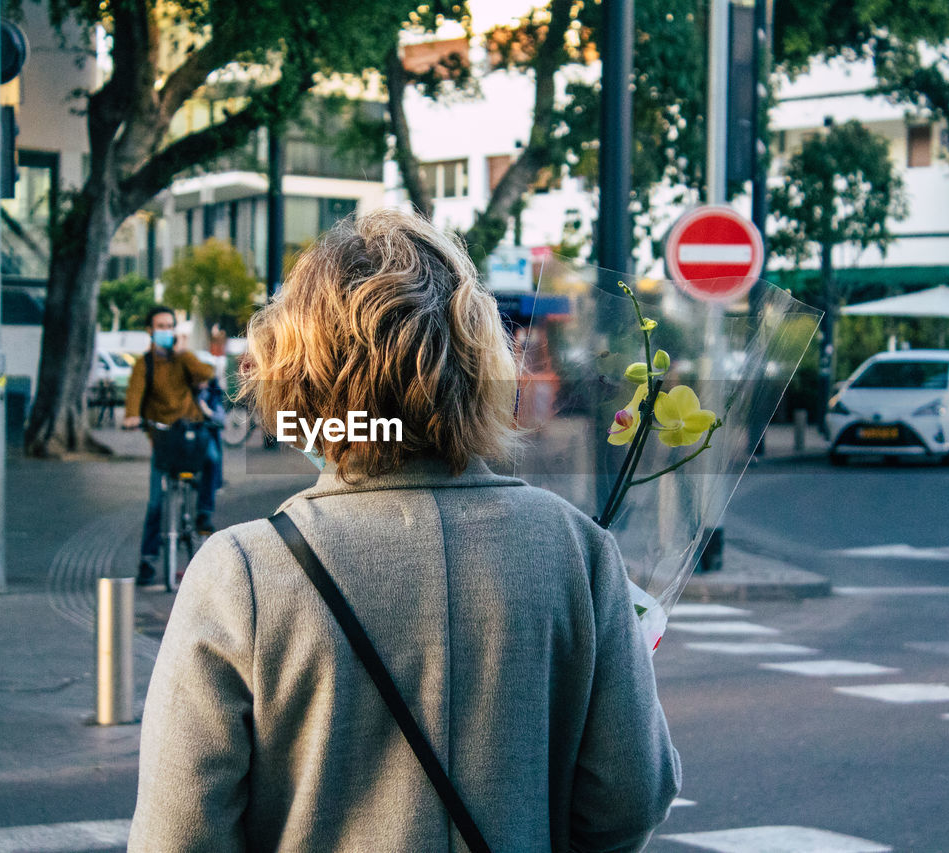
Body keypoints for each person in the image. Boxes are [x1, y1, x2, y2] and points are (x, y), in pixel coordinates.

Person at [129, 210, 681, 851]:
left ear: (298, 377)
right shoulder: (574, 549)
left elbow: (178, 834)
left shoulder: (244, 573)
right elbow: (631, 797)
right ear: (480, 362)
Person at [123, 306, 218, 586]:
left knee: (211, 458)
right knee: (155, 503)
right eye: (160, 326)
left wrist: (183, 354)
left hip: (190, 430)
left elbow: (207, 373)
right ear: (150, 330)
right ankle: (148, 559)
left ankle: (204, 513)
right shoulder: (145, 364)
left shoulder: (183, 359)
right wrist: (131, 416)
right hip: (163, 438)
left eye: (170, 325)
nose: (166, 330)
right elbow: (135, 392)